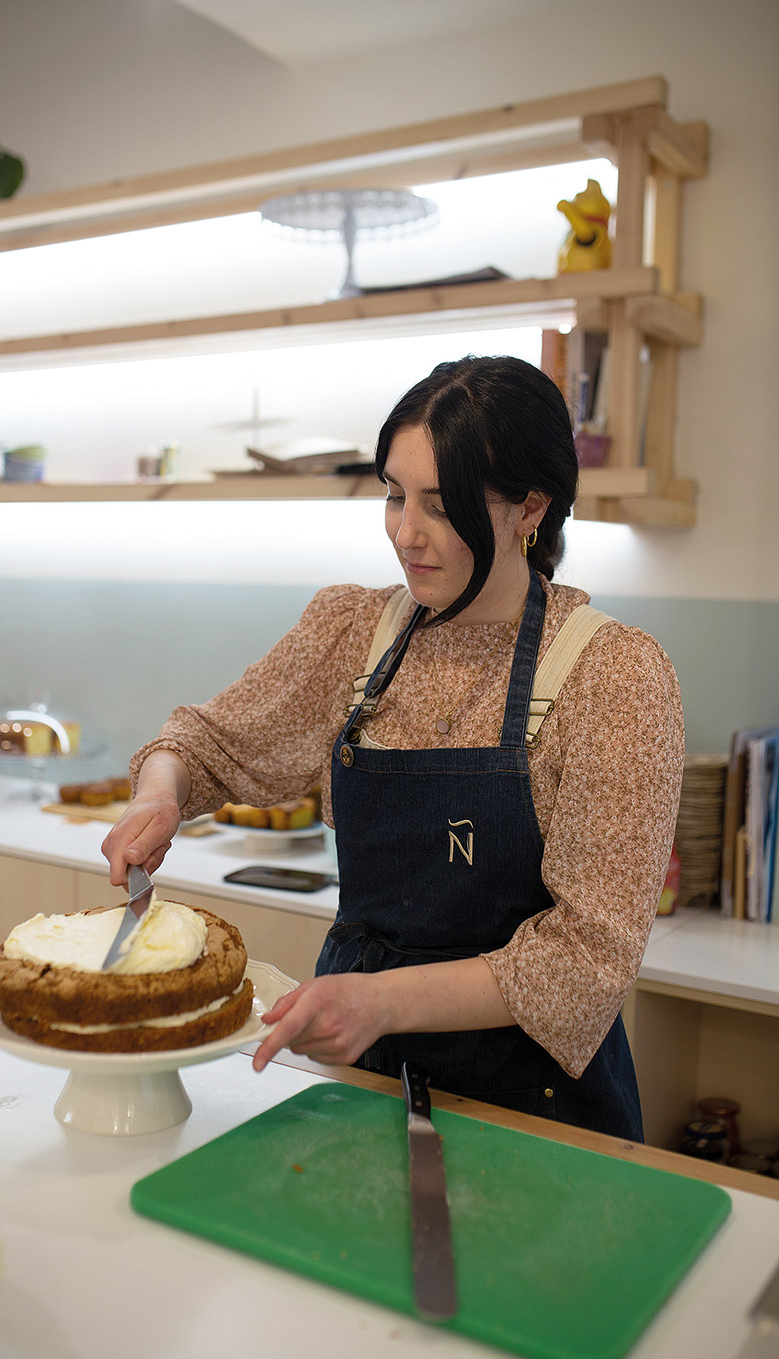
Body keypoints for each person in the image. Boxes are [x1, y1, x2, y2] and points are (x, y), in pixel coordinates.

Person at [102, 355, 683, 1142]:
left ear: (531, 506)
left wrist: (382, 1000)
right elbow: (203, 741)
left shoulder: (610, 674)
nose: (405, 533)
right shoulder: (354, 631)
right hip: (358, 1078)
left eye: (441, 506)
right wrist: (160, 793)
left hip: (534, 1107)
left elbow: (587, 960)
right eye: (394, 494)